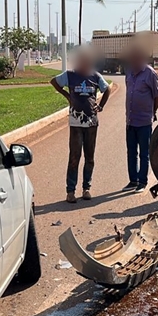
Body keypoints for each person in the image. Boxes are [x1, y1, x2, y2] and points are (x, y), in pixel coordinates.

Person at [50, 46, 111, 203]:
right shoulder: (70, 75)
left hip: (91, 123)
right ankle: (70, 191)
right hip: (76, 123)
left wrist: (101, 106)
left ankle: (86, 188)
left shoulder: (95, 76)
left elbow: (107, 89)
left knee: (89, 158)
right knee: (74, 157)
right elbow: (54, 82)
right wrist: (67, 96)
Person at [123, 44, 158, 193]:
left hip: (144, 121)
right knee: (131, 151)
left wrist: (152, 112)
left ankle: (142, 182)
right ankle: (133, 180)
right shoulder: (129, 72)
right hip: (130, 120)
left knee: (144, 153)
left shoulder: (150, 74)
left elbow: (157, 95)